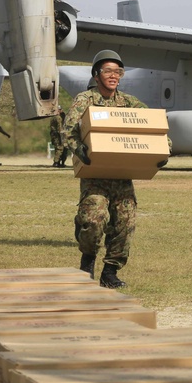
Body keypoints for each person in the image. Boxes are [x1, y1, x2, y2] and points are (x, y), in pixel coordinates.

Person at [65, 50, 163, 289]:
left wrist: (163, 150)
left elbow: (154, 128)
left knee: (125, 224)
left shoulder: (130, 103)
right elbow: (68, 132)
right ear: (96, 75)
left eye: (117, 71)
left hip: (122, 175)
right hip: (95, 175)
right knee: (93, 220)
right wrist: (81, 151)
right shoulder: (84, 100)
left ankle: (110, 272)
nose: (113, 76)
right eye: (108, 71)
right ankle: (87, 264)